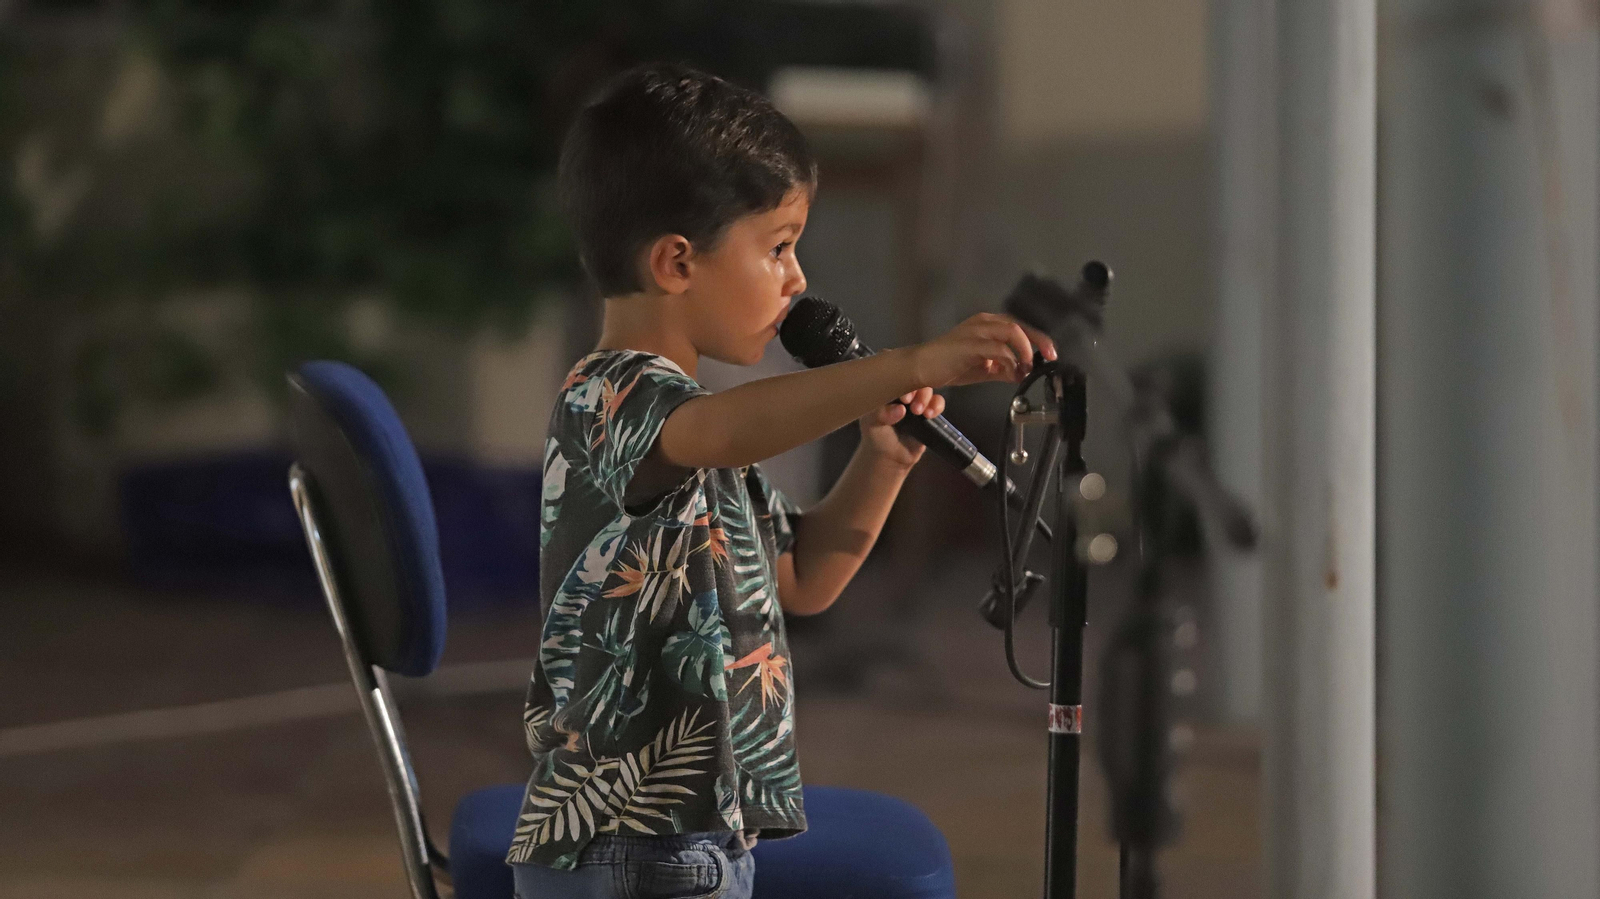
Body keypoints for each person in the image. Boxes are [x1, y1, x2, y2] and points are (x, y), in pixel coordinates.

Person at [508, 62, 1055, 899]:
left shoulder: (692, 429)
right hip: (633, 843)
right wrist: (904, 362)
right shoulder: (610, 398)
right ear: (677, 262)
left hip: (697, 837)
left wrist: (883, 459)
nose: (798, 279)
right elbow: (727, 430)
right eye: (778, 247)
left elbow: (802, 580)